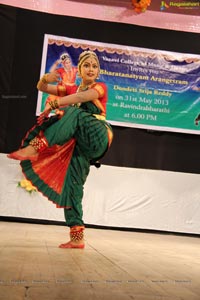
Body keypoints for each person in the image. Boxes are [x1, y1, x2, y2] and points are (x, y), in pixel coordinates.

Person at [7, 50, 113, 249]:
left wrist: (56, 103)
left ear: (98, 71)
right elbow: (42, 87)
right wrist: (45, 79)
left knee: (73, 112)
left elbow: (81, 97)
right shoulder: (72, 88)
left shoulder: (100, 87)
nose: (91, 69)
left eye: (94, 66)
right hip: (81, 144)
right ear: (79, 70)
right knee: (73, 186)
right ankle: (77, 237)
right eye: (87, 65)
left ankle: (36, 147)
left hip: (98, 135)